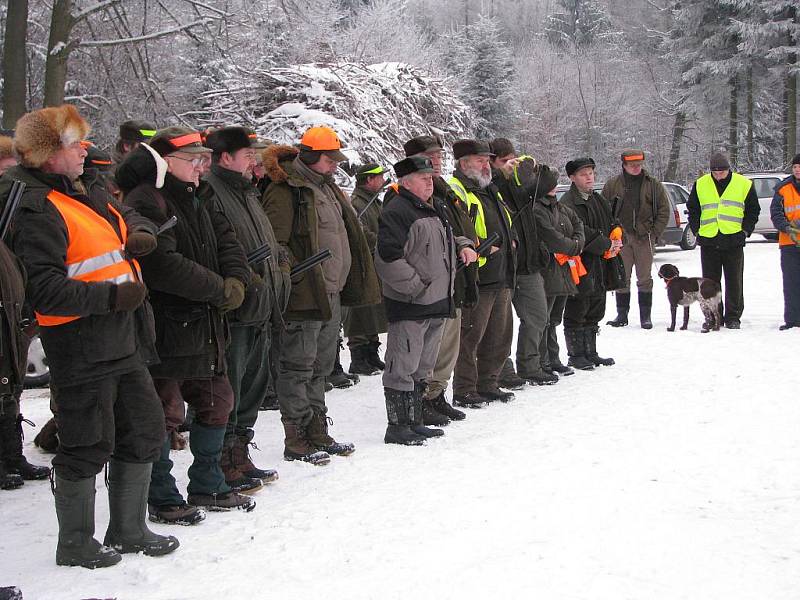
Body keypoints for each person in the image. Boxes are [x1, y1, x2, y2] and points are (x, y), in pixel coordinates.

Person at [5, 104, 177, 568]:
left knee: (144, 430)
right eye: (73, 143)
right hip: (82, 345)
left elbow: (127, 216)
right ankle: (75, 543)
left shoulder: (82, 189)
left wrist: (139, 233)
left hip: (123, 340)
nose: (84, 149)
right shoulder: (36, 206)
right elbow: (43, 288)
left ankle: (128, 529)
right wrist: (111, 297)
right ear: (46, 154)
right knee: (84, 444)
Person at [121, 126, 256, 520]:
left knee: (218, 401)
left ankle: (207, 483)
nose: (201, 167)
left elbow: (229, 243)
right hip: (166, 324)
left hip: (207, 321)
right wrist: (219, 289)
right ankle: (162, 496)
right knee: (165, 411)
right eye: (193, 160)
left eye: (204, 159)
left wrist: (236, 281)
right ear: (166, 162)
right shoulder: (147, 200)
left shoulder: (202, 195)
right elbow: (161, 264)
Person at [262, 126, 380, 464]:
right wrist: (297, 278)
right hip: (305, 295)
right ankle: (296, 436)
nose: (336, 166)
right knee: (297, 365)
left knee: (321, 366)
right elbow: (277, 245)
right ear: (312, 157)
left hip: (332, 293)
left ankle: (317, 430)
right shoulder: (286, 191)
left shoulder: (326, 188)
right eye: (330, 159)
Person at [200, 126, 289, 489]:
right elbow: (218, 248)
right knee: (231, 388)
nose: (254, 160)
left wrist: (279, 266)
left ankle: (239, 453)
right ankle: (223, 461)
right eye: (247, 154)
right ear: (225, 158)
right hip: (237, 310)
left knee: (252, 386)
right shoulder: (213, 192)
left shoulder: (247, 191)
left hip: (262, 305)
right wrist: (247, 281)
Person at [375, 156, 477, 444]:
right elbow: (387, 257)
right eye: (423, 178)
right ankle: (398, 426)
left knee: (422, 367)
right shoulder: (398, 211)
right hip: (411, 305)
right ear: (406, 182)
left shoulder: (433, 207)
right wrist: (416, 288)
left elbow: (446, 238)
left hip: (436, 302)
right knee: (402, 365)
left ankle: (415, 420)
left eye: (430, 177)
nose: (430, 182)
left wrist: (465, 245)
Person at [397, 135, 478, 425]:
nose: (438, 162)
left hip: (451, 278)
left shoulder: (442, 193)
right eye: (431, 157)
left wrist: (464, 244)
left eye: (439, 157)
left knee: (447, 345)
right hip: (427, 287)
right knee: (429, 348)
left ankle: (436, 395)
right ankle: (422, 400)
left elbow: (448, 231)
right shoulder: (404, 199)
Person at [450, 139, 517, 406]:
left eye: (487, 159)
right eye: (480, 160)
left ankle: (489, 382)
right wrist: (482, 247)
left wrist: (511, 242)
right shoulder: (458, 188)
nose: (486, 164)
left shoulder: (489, 189)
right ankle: (465, 388)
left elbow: (505, 221)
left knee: (499, 334)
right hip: (478, 275)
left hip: (500, 272)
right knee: (471, 336)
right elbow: (458, 227)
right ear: (464, 163)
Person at [490, 139, 553, 387]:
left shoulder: (521, 184)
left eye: (512, 159)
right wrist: (502, 175)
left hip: (528, 263)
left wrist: (532, 165)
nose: (510, 165)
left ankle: (530, 364)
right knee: (501, 325)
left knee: (538, 316)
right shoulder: (491, 185)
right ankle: (502, 369)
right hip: (504, 266)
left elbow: (548, 181)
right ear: (493, 162)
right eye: (504, 161)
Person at [686, 151, 760, 329]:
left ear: (729, 169)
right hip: (709, 240)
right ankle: (712, 316)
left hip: (733, 239)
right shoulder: (701, 184)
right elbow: (693, 209)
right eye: (715, 172)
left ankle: (733, 317)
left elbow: (753, 210)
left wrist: (745, 231)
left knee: (734, 281)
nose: (718, 175)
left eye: (722, 172)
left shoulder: (743, 184)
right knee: (710, 284)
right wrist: (697, 230)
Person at [559, 157, 618, 370]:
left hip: (600, 262)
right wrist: (605, 244)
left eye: (591, 173)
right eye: (584, 174)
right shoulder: (568, 202)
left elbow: (611, 220)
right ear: (573, 178)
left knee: (596, 305)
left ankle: (591, 352)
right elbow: (580, 230)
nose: (589, 177)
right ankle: (576, 354)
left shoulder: (598, 199)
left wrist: (616, 237)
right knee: (578, 304)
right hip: (580, 261)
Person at [602, 149, 670, 329]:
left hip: (645, 237)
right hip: (621, 237)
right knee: (622, 277)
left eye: (639, 165)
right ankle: (622, 314)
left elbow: (664, 209)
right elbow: (603, 210)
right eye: (632, 165)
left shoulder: (653, 184)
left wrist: (655, 232)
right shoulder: (612, 185)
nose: (636, 168)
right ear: (624, 165)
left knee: (645, 278)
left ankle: (645, 317)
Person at [530, 164, 585, 376]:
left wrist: (576, 243)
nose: (555, 186)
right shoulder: (538, 209)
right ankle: (545, 360)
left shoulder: (558, 207)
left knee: (554, 318)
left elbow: (577, 223)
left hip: (562, 270)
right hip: (548, 268)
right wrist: (573, 246)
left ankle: (552, 358)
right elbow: (551, 236)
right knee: (545, 318)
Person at [344, 162, 389, 376]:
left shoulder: (373, 203)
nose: (382, 180)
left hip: (375, 262)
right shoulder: (357, 203)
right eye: (379, 177)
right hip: (364, 263)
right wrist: (380, 243)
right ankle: (358, 357)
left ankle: (372, 353)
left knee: (373, 309)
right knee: (361, 310)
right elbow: (360, 232)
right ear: (369, 180)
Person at [770, 153, 800, 330]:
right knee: (790, 282)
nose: (797, 170)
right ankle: (792, 319)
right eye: (795, 167)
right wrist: (787, 228)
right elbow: (776, 214)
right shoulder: (782, 188)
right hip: (789, 243)